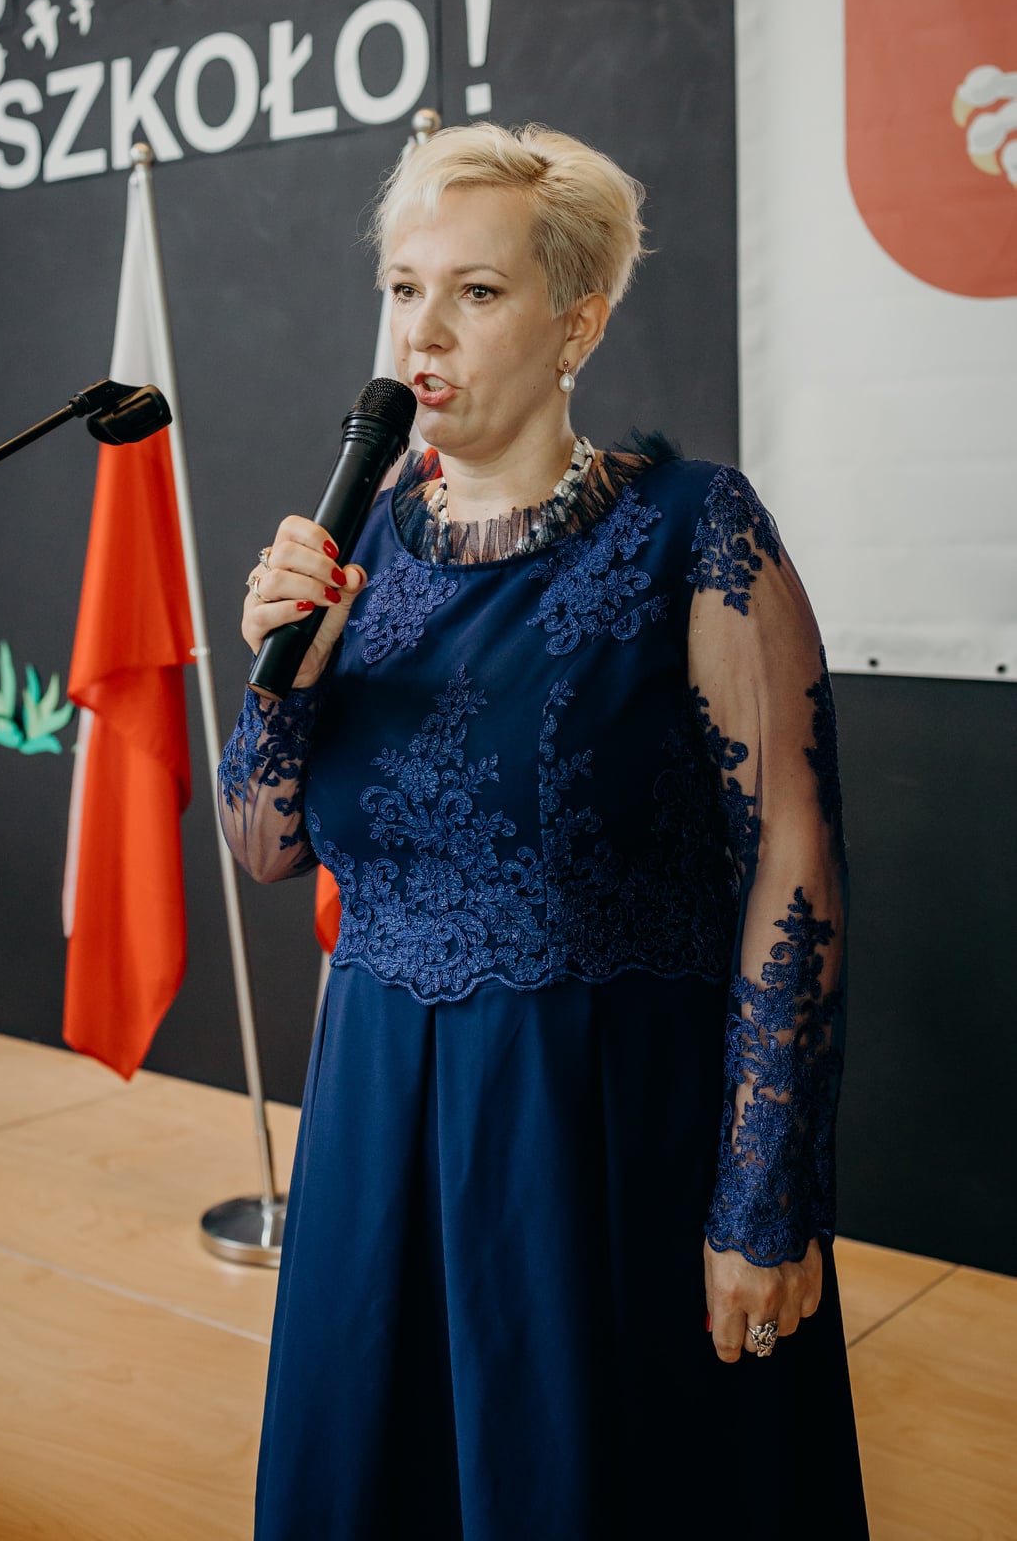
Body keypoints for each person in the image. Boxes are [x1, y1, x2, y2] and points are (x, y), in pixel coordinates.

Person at [218, 123, 869, 1540]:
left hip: (592, 1135)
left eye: (476, 291)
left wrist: (765, 1196)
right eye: (404, 289)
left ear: (578, 321)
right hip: (377, 1117)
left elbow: (794, 859)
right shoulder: (359, 540)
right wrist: (283, 678)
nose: (423, 332)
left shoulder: (693, 531)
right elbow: (263, 847)